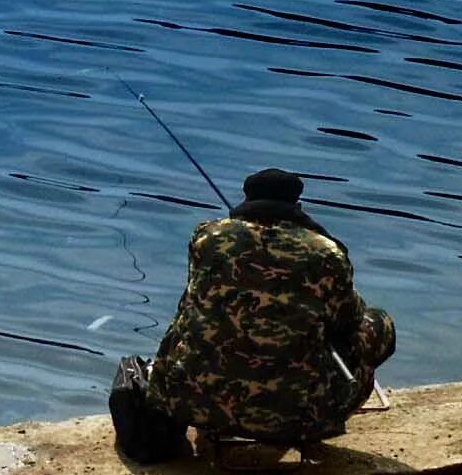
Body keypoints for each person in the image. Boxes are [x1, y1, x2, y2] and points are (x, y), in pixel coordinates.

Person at [147, 167, 396, 445]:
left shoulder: (208, 238)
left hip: (193, 402)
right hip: (300, 418)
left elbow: (190, 304)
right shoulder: (326, 253)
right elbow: (347, 323)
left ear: (247, 198)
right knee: (379, 323)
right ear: (296, 204)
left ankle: (216, 408)